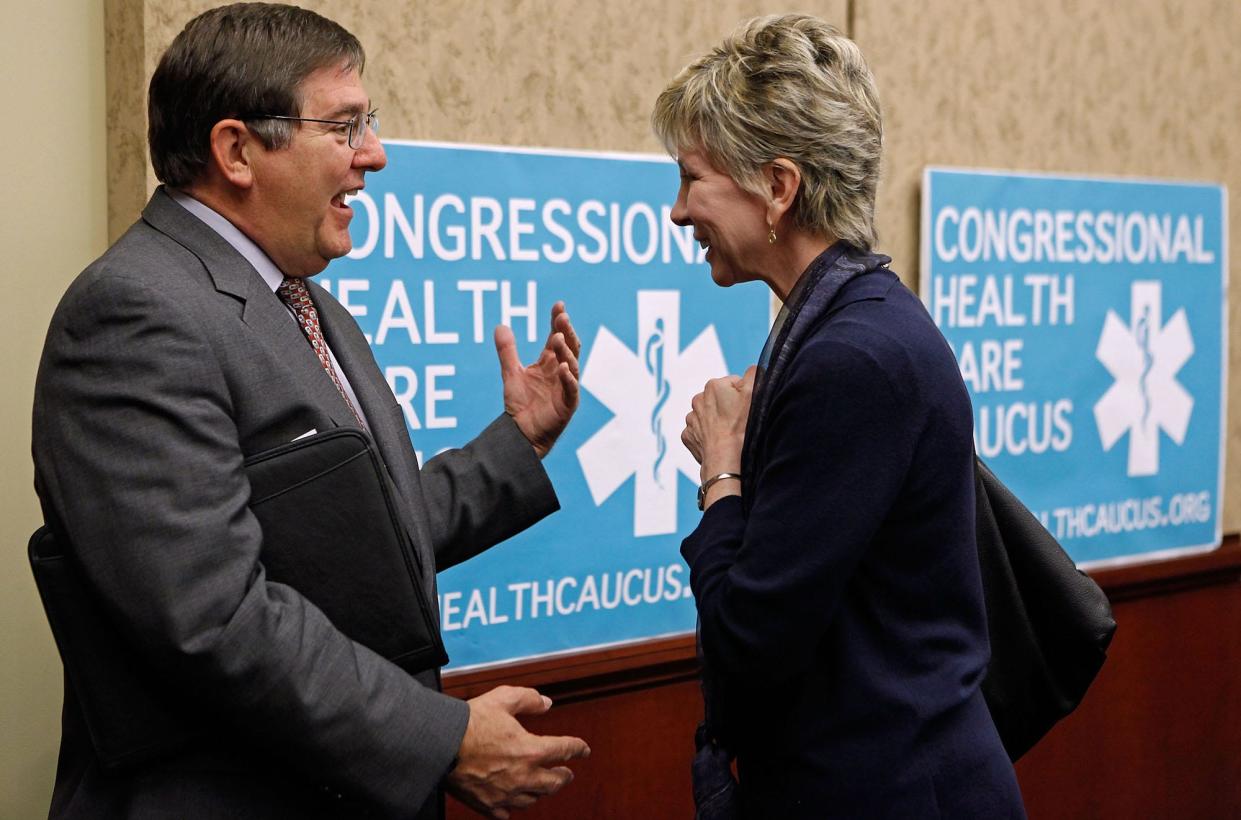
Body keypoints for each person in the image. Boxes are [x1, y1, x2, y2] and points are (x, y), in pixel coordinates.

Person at [32, 4, 588, 819]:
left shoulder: (305, 303)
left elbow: (352, 540)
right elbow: (214, 613)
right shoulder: (133, 313)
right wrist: (441, 738)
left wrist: (518, 442)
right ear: (237, 150)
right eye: (346, 126)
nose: (375, 154)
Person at [653, 15, 1026, 818]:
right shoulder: (850, 325)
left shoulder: (851, 359)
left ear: (778, 187)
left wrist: (721, 471)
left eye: (691, 179)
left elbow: (748, 644)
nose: (678, 211)